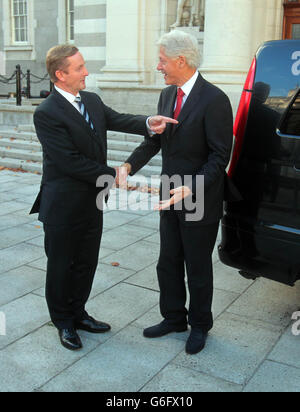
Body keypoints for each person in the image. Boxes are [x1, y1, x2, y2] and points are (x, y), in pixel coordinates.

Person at [30, 44, 176, 351]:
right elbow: (68, 161)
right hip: (62, 206)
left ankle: (79, 313)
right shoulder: (46, 114)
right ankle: (63, 322)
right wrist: (114, 174)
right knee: (61, 266)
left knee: (85, 263)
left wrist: (149, 122)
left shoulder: (92, 100)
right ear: (61, 74)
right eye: (80, 67)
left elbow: (118, 118)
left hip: (92, 202)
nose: (86, 72)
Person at [118, 30, 234, 355]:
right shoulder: (168, 94)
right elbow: (154, 141)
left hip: (198, 195)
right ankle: (173, 318)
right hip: (169, 193)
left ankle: (199, 325)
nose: (159, 67)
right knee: (167, 260)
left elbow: (219, 157)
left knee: (197, 265)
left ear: (180, 60)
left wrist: (192, 186)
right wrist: (128, 166)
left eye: (162, 60)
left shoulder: (215, 100)